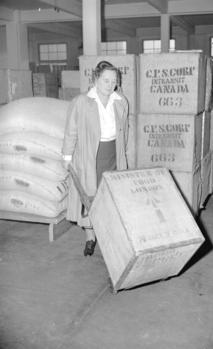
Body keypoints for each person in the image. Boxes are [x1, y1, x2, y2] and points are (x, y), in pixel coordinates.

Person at [62, 60, 129, 257]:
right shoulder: (81, 102)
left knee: (110, 196)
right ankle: (90, 238)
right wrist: (66, 156)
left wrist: (124, 154)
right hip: (90, 155)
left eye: (114, 81)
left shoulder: (121, 101)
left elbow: (125, 130)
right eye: (106, 80)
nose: (110, 85)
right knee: (89, 197)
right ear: (95, 79)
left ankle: (109, 235)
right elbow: (71, 131)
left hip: (113, 154)